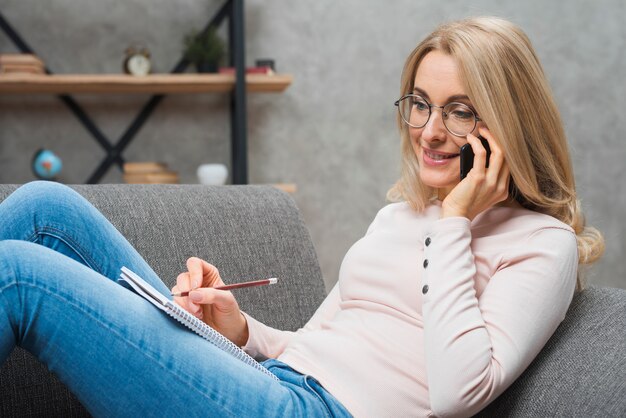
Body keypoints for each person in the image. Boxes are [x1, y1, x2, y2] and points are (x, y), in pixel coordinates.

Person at [0, 16, 604, 417]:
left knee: (17, 275)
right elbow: (312, 347)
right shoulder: (400, 217)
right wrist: (238, 330)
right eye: (420, 104)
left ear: (507, 124)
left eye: (460, 112)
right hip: (271, 383)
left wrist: (455, 223)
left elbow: (457, 393)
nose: (430, 131)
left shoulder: (542, 244)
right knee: (43, 209)